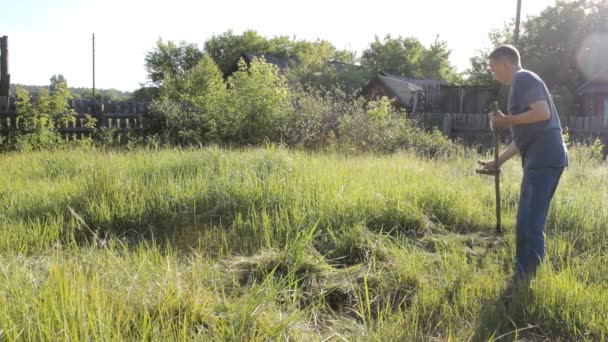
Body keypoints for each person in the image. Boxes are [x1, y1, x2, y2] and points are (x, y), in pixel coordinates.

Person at [478, 44, 568, 278]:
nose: (493, 72)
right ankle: (527, 276)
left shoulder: (523, 78)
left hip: (544, 156)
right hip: (543, 155)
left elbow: (542, 113)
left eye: (493, 67)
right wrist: (498, 161)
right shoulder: (522, 83)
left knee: (528, 223)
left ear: (504, 63)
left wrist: (505, 120)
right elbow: (524, 138)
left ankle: (525, 279)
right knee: (530, 220)